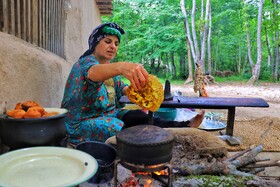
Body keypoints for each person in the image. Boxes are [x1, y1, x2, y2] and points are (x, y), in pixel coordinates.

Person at [61, 22, 205, 144]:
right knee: (117, 126)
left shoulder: (110, 69)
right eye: (107, 41)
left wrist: (141, 91)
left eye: (116, 43)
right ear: (94, 43)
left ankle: (183, 126)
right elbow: (93, 73)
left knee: (139, 116)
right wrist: (122, 67)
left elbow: (123, 89)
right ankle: (145, 147)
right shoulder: (85, 64)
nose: (113, 46)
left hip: (108, 114)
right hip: (80, 123)